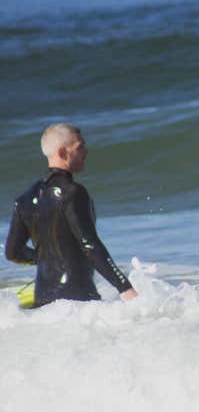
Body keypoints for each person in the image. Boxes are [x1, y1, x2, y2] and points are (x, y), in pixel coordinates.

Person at [4, 123, 137, 308]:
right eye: (80, 147)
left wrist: (46, 259)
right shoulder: (73, 193)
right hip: (78, 300)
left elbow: (12, 252)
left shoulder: (24, 200)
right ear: (62, 152)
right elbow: (89, 245)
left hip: (43, 300)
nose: (86, 151)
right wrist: (125, 288)